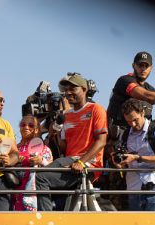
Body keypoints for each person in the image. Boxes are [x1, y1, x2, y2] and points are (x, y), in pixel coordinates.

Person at [35, 73, 108, 211]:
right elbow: (64, 147)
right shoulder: (66, 115)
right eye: (66, 90)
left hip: (88, 164)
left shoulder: (95, 109)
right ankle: (51, 214)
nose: (68, 93)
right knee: (38, 176)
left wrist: (81, 162)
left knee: (41, 178)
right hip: (70, 161)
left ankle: (45, 219)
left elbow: (101, 141)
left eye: (73, 89)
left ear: (84, 89)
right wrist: (54, 135)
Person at [113, 99, 155, 211]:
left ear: (142, 113)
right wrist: (119, 163)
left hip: (154, 187)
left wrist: (138, 158)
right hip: (133, 188)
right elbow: (122, 160)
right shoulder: (125, 134)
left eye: (135, 120)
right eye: (128, 122)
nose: (133, 124)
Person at [107, 51, 155, 129]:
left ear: (151, 68)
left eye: (146, 66)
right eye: (140, 65)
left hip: (142, 138)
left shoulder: (149, 88)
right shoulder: (124, 80)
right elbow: (147, 96)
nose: (143, 69)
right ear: (133, 65)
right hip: (119, 138)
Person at [13, 115, 52, 211]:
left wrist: (41, 161)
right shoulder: (14, 148)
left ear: (36, 129)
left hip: (34, 192)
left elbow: (52, 168)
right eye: (23, 124)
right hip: (14, 191)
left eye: (30, 125)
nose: (26, 127)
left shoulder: (44, 148)